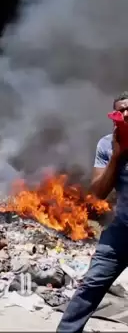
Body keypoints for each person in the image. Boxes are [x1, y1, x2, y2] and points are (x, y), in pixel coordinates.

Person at [57, 92, 128, 332]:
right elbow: (97, 193)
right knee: (91, 285)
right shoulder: (107, 144)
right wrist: (118, 156)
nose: (125, 114)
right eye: (120, 111)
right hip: (121, 232)